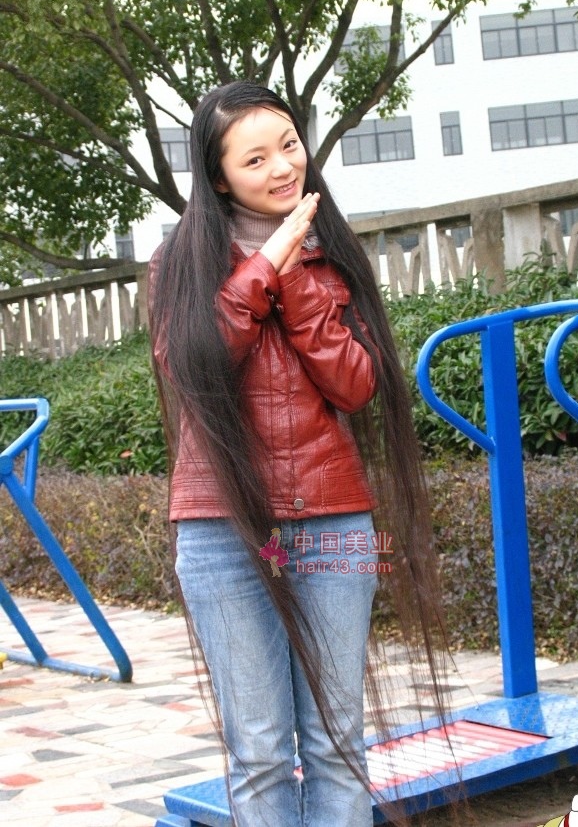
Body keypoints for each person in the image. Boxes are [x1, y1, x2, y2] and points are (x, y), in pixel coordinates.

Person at [148, 81, 448, 827]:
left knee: (338, 743)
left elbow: (356, 385)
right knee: (257, 751)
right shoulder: (179, 262)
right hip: (222, 525)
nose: (284, 166)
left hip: (333, 519)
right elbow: (194, 368)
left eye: (289, 144)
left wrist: (294, 280)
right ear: (219, 177)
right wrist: (266, 264)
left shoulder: (333, 254)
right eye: (256, 158)